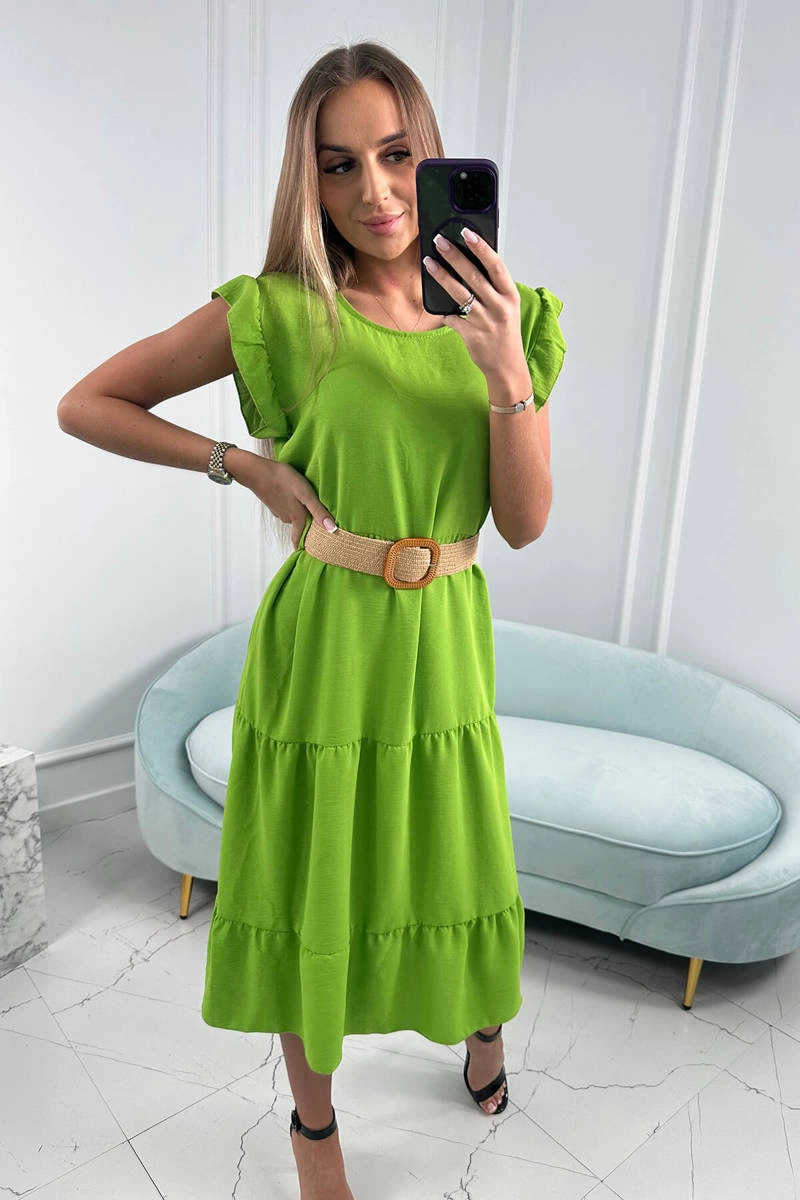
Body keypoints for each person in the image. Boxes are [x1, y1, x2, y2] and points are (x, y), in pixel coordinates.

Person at [57, 40, 566, 1200]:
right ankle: (314, 1130)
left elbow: (524, 523)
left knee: (459, 862)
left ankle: (482, 1031)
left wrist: (504, 372)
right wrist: (240, 464)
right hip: (323, 639)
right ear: (309, 180)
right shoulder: (282, 314)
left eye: (395, 155)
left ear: (432, 157)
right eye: (338, 165)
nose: (374, 193)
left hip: (444, 641)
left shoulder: (516, 316)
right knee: (311, 877)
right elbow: (88, 403)